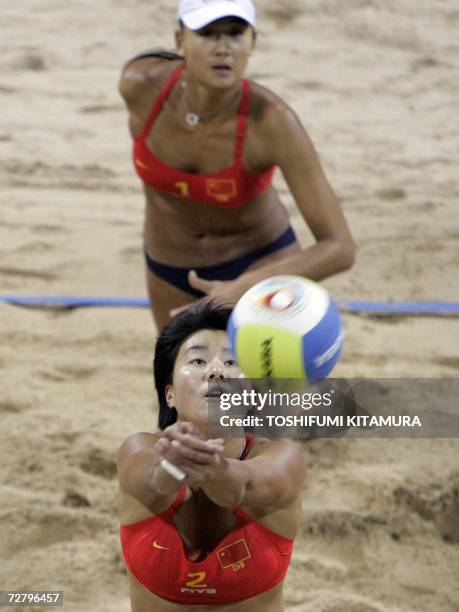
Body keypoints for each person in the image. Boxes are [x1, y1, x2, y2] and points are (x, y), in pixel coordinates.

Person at [119, 0, 355, 330]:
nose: (223, 48)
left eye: (234, 34)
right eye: (207, 34)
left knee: (264, 382)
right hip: (169, 268)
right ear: (179, 40)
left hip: (259, 264)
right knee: (184, 379)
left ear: (253, 43)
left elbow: (340, 248)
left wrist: (246, 286)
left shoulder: (272, 121)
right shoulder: (140, 86)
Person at [117, 302, 306, 611]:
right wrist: (170, 466)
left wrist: (212, 468)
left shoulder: (282, 459)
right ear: (170, 393)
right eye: (198, 359)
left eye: (232, 362)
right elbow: (153, 481)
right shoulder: (137, 448)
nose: (216, 370)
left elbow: (241, 489)